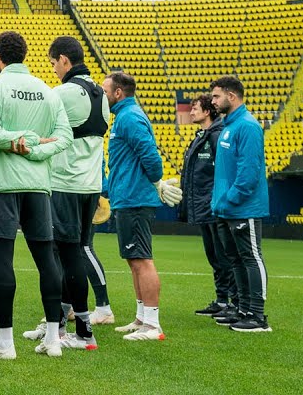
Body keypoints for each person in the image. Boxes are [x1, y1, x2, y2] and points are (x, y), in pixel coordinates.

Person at [0, 31, 72, 360]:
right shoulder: (48, 91)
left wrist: (23, 143)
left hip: (3, 183)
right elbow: (63, 138)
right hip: (38, 186)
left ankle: (5, 343)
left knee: (2, 260)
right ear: (25, 55)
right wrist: (36, 149)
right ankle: (55, 340)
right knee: (47, 260)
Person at [102, 71, 181, 342]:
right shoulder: (124, 117)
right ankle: (141, 318)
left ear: (118, 93)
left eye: (105, 91)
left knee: (142, 260)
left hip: (135, 199)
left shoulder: (130, 117)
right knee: (133, 260)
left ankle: (153, 324)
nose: (103, 96)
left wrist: (155, 182)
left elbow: (150, 155)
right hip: (127, 197)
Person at [44, 35, 111, 345]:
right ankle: (56, 326)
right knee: (70, 251)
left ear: (65, 61)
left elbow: (41, 131)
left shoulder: (65, 92)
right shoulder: (101, 93)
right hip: (89, 185)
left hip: (66, 183)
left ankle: (83, 332)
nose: (54, 69)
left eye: (54, 63)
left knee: (67, 255)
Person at [210, 76, 271, 333]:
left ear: (231, 96)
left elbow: (248, 172)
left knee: (251, 258)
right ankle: (243, 308)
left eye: (216, 96)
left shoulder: (247, 126)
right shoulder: (229, 126)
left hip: (243, 208)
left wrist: (230, 199)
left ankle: (257, 316)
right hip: (227, 209)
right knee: (236, 260)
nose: (212, 101)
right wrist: (221, 203)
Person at [178, 93, 234, 318]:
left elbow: (221, 173)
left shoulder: (216, 136)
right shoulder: (203, 135)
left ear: (207, 111)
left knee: (223, 256)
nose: (190, 112)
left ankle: (232, 302)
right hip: (203, 205)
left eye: (194, 109)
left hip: (214, 206)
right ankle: (222, 301)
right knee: (214, 256)